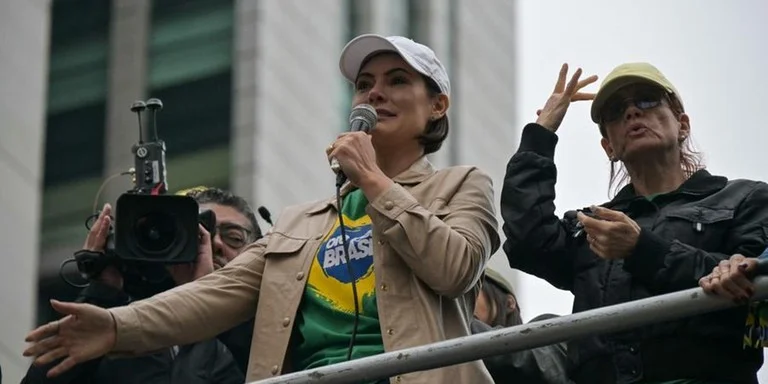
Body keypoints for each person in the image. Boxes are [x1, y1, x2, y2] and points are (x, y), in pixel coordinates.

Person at [23, 34, 500, 384]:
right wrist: (115, 324)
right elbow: (214, 295)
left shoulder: (461, 186)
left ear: (437, 106)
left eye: (397, 81)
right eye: (364, 84)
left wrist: (373, 180)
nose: (374, 93)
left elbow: (453, 269)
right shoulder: (301, 222)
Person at [501, 62, 768, 383]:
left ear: (682, 125)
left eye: (646, 100)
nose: (631, 113)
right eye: (615, 110)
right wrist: (541, 134)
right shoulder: (591, 225)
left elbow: (754, 285)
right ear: (608, 147)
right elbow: (528, 240)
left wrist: (642, 249)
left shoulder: (745, 199)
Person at [21, 186, 263, 384]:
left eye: (234, 237)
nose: (214, 244)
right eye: (198, 235)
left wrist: (212, 301)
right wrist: (103, 290)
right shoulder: (113, 329)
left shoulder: (265, 329)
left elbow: (283, 370)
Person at [471, 268, 571, 384]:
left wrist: (460, 322)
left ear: (509, 303)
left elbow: (538, 368)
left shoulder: (546, 328)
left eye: (470, 291)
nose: (459, 302)